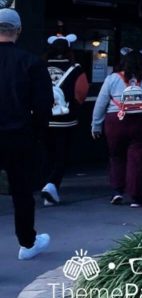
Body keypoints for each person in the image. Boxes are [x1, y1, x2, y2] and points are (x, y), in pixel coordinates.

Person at [0, 9, 53, 259]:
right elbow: (43, 106)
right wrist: (36, 134)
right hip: (19, 136)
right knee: (22, 192)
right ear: (18, 31)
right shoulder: (32, 62)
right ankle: (27, 243)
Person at [92, 48, 142, 207]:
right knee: (139, 158)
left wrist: (96, 125)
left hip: (115, 120)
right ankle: (135, 197)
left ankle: (117, 192)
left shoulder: (112, 78)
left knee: (116, 156)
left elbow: (100, 103)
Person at [41, 33, 88, 206]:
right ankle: (52, 185)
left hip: (43, 118)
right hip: (66, 118)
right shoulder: (76, 68)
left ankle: (47, 184)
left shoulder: (40, 66)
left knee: (47, 154)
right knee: (61, 155)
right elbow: (81, 93)